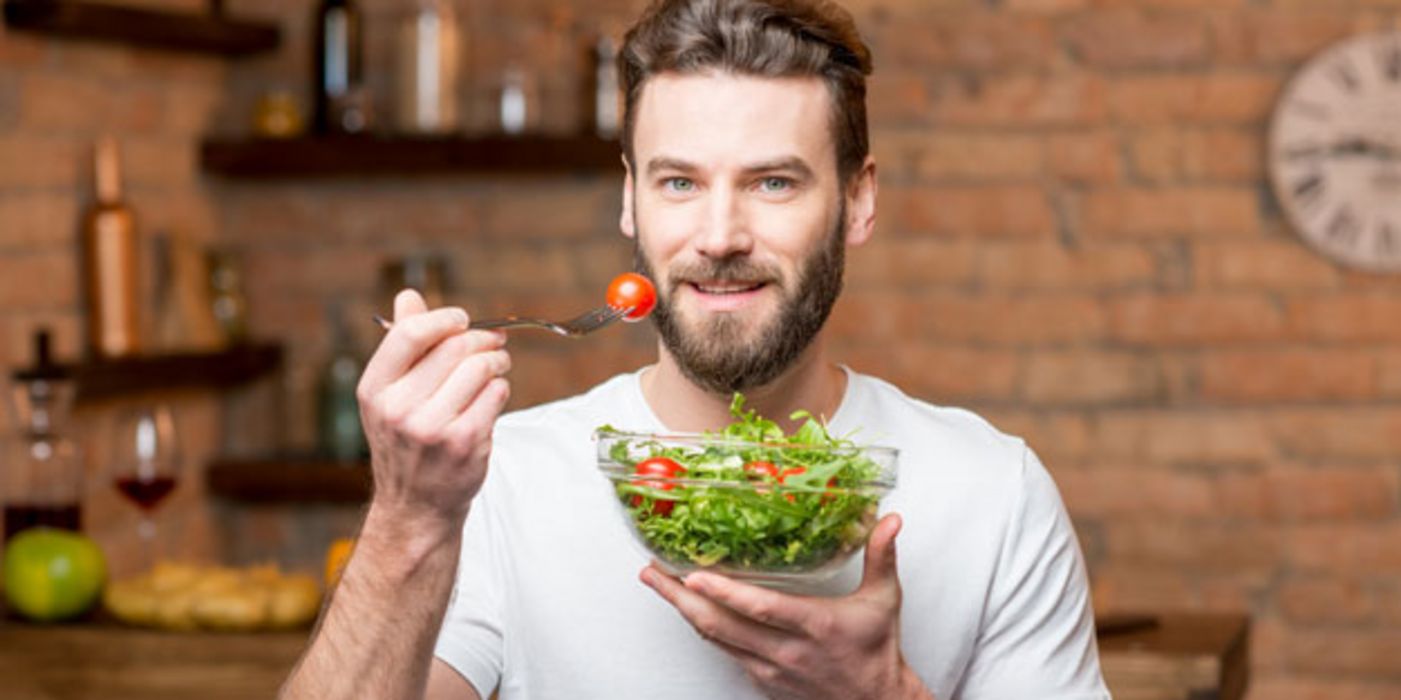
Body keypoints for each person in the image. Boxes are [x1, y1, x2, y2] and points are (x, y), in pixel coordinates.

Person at [280, 0, 1109, 698]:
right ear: (631, 202)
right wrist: (405, 520)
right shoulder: (500, 484)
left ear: (857, 201)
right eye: (679, 182)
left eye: (772, 182)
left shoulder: (994, 494)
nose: (718, 236)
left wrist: (885, 693)